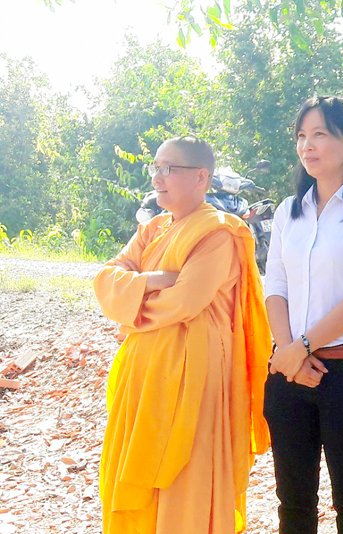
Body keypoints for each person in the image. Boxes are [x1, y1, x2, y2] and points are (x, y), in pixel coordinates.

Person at [94, 136, 271, 534]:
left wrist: (132, 306)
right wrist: (153, 280)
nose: (157, 178)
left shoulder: (218, 233)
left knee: (187, 478)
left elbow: (186, 301)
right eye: (155, 168)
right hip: (143, 376)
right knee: (138, 477)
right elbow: (105, 281)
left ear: (201, 177)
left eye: (168, 169)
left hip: (196, 378)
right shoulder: (152, 229)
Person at [262, 95, 343, 534]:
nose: (308, 145)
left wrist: (299, 348)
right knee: (293, 501)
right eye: (302, 135)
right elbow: (275, 286)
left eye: (320, 134)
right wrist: (289, 355)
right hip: (288, 376)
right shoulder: (288, 212)